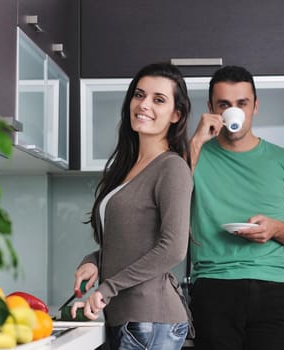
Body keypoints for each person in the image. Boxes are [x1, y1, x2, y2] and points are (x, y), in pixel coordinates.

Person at [188, 65, 284, 350]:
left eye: (242, 103)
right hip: (214, 285)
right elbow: (165, 204)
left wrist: (276, 228)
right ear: (211, 108)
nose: (233, 111)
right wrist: (196, 142)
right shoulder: (193, 156)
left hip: (273, 287)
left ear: (255, 106)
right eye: (224, 104)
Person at [71, 62, 194, 350]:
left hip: (150, 320)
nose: (144, 104)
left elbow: (173, 248)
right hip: (127, 319)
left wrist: (108, 287)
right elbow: (130, 243)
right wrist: (94, 261)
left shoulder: (172, 168)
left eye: (158, 99)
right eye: (139, 95)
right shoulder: (127, 168)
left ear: (176, 114)